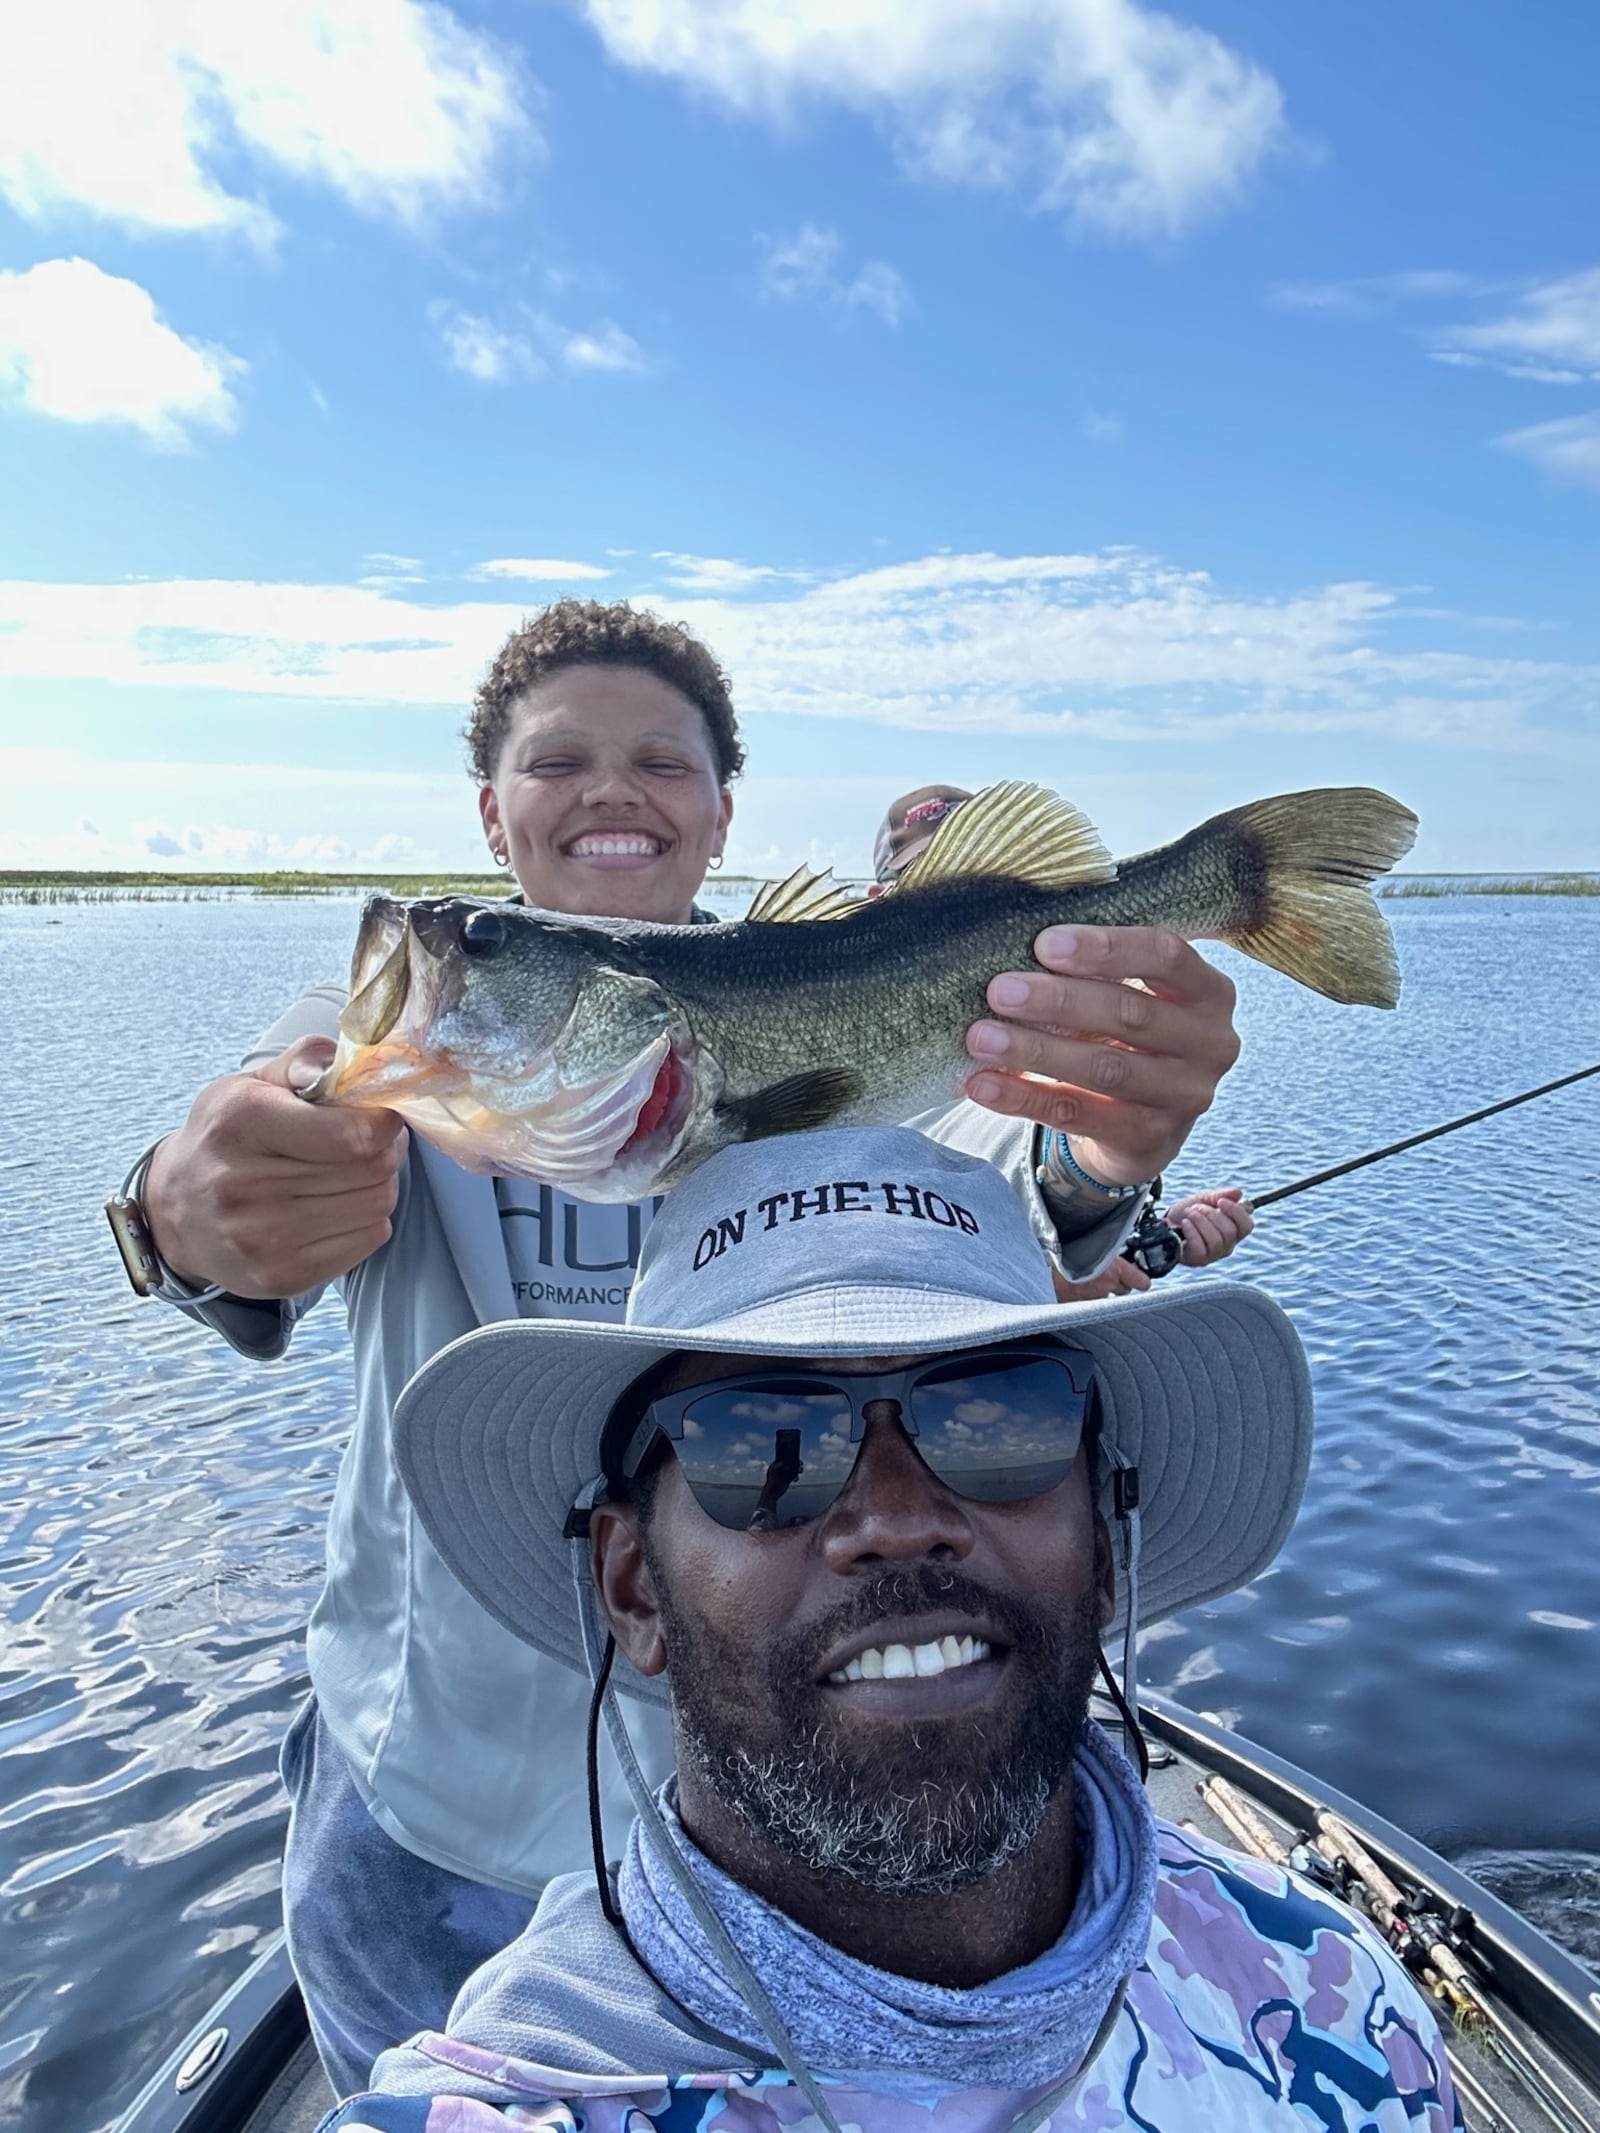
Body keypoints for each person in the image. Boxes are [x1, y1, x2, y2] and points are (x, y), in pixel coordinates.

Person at [107, 603, 1243, 2092]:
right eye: (555, 758)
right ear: (491, 812)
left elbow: (1008, 1193)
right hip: (424, 1790)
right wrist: (177, 1216)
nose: (611, 789)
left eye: (663, 760)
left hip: (754, 1831)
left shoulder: (835, 1006)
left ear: (722, 807)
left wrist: (1105, 1157)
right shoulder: (401, 1032)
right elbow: (247, 1150)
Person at [316, 1125, 1461, 2132]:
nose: (898, 1520)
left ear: (1107, 1543)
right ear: (632, 1590)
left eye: (1001, 1419)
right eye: (757, 1444)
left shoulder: (1339, 1989)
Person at [875, 783, 1255, 1300]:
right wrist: (1049, 1272)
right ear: (874, 906)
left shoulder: (1068, 1051)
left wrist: (1118, 1174)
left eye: (984, 887)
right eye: (928, 888)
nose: (966, 917)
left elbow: (1062, 1158)